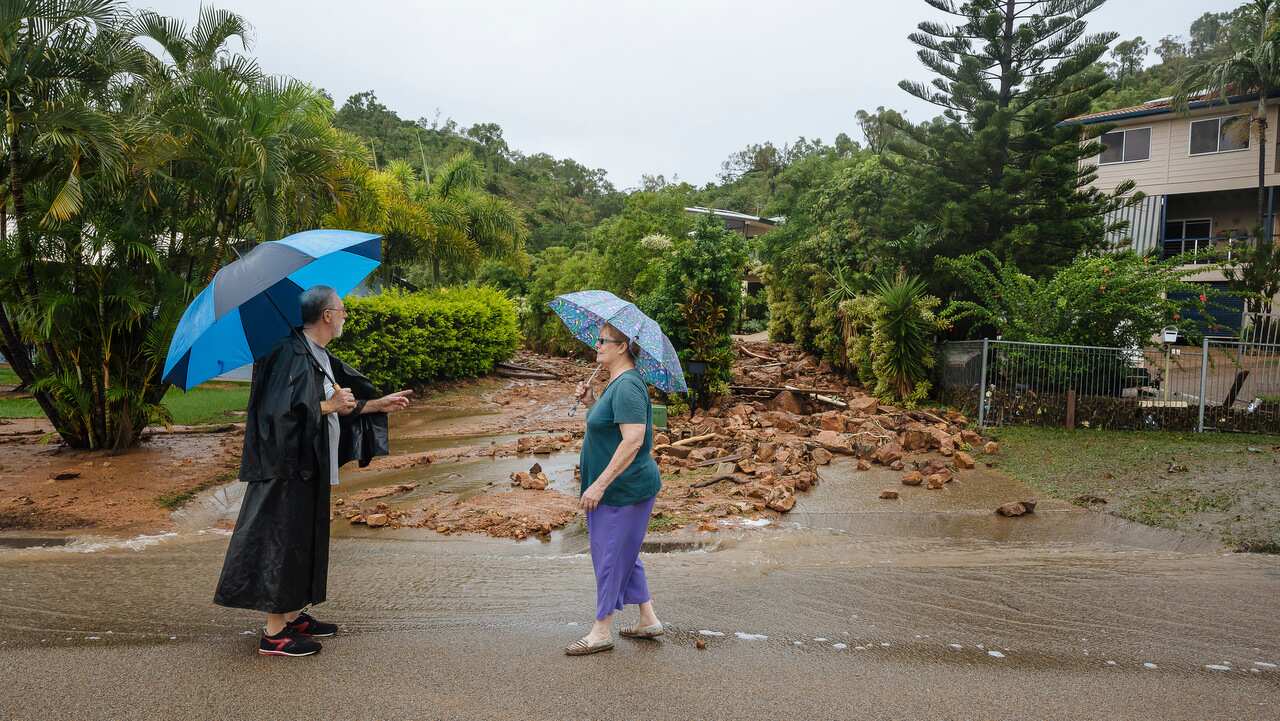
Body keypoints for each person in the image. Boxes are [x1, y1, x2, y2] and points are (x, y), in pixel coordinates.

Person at [213, 285, 412, 657]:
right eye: (342, 309)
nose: (345, 315)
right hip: (284, 468)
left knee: (304, 540)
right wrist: (329, 405)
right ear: (326, 315)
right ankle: (274, 634)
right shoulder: (286, 352)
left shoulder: (313, 352)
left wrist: (377, 404)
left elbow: (335, 404)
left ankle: (291, 615)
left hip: (308, 464)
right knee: (282, 541)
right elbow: (277, 412)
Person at [565, 323, 663, 656]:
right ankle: (648, 619)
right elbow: (609, 427)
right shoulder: (616, 384)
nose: (597, 344)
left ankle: (601, 630)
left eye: (603, 340)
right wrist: (592, 400)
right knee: (623, 552)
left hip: (623, 491)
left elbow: (633, 440)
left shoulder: (628, 387)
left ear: (622, 347)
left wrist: (599, 485)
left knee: (608, 555)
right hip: (618, 490)